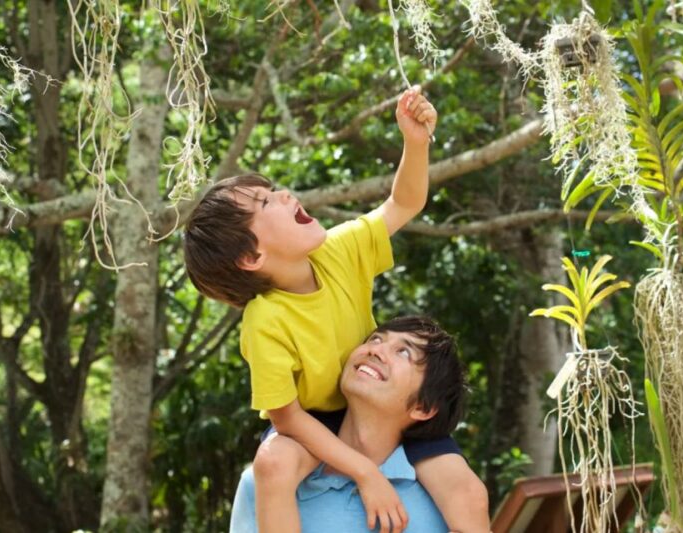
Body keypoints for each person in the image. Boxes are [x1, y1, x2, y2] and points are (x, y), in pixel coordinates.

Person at [184, 87, 489, 533]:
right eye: (266, 203)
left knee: (469, 492)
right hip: (312, 423)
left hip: (380, 407)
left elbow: (403, 203)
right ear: (252, 259)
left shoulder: (338, 250)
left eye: (272, 190)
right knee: (271, 465)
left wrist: (415, 142)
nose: (284, 195)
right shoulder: (264, 321)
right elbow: (286, 417)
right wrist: (366, 473)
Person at [229, 316, 474, 533]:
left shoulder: (444, 503)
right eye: (376, 339)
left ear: (423, 407)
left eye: (404, 352)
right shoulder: (263, 481)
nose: (375, 351)